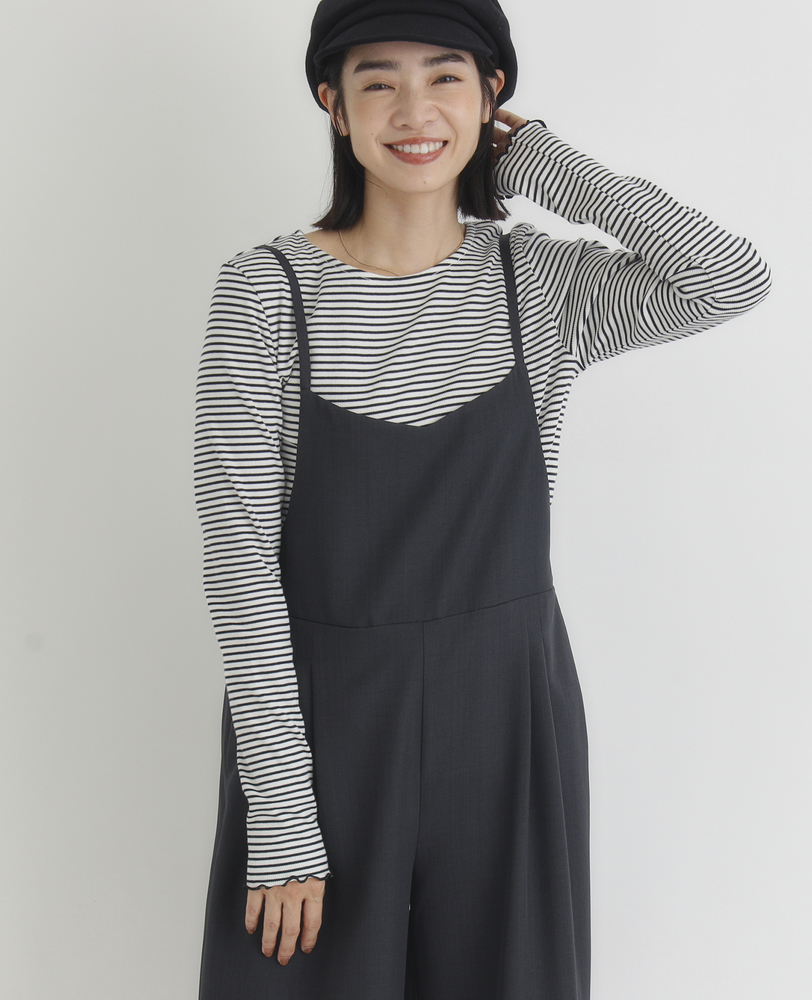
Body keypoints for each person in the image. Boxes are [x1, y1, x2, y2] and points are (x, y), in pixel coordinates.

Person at [194, 1, 771, 997]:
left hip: (509, 722)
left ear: (489, 95)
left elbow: (727, 279)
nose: (412, 109)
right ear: (333, 104)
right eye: (377, 80)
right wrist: (282, 808)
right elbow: (239, 559)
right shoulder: (265, 292)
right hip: (324, 732)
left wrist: (535, 158)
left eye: (445, 77)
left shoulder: (538, 284)